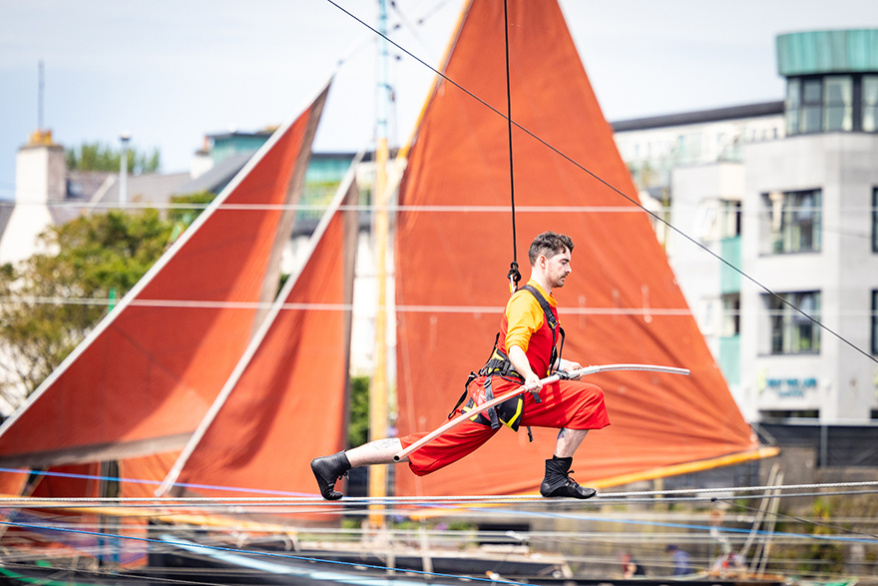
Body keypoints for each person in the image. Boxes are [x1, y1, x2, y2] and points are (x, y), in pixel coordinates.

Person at [311, 231, 610, 500]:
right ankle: (555, 478)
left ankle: (337, 462)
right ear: (542, 262)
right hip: (505, 393)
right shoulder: (525, 302)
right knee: (589, 398)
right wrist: (531, 375)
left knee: (426, 447)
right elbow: (515, 347)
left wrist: (562, 364)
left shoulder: (544, 303)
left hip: (507, 393)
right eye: (564, 261)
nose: (570, 269)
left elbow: (531, 352)